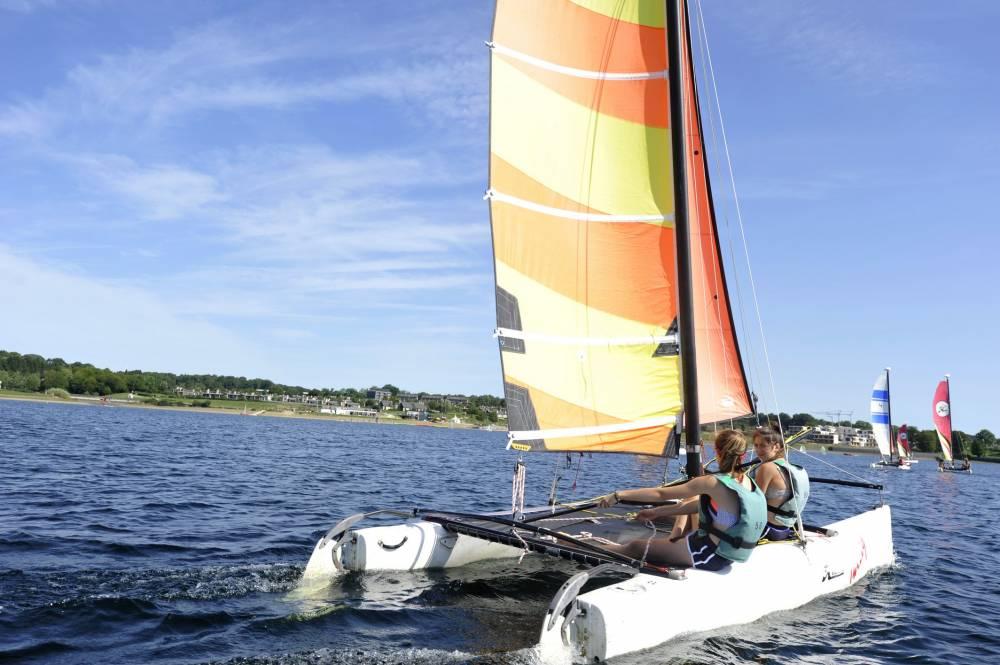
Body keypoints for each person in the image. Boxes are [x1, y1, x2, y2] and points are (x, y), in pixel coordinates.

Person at [598, 429, 766, 571]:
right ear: (743, 455)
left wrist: (618, 495)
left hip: (708, 554)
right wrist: (657, 512)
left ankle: (590, 550)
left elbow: (661, 494)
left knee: (635, 547)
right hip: (727, 554)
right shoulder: (748, 482)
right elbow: (700, 505)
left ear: (717, 451)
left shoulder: (712, 482)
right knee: (667, 542)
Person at [748, 426, 810, 541]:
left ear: (776, 447)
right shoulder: (792, 468)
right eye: (756, 445)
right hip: (784, 530)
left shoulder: (767, 467)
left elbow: (753, 503)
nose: (758, 450)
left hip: (767, 529)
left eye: (763, 445)